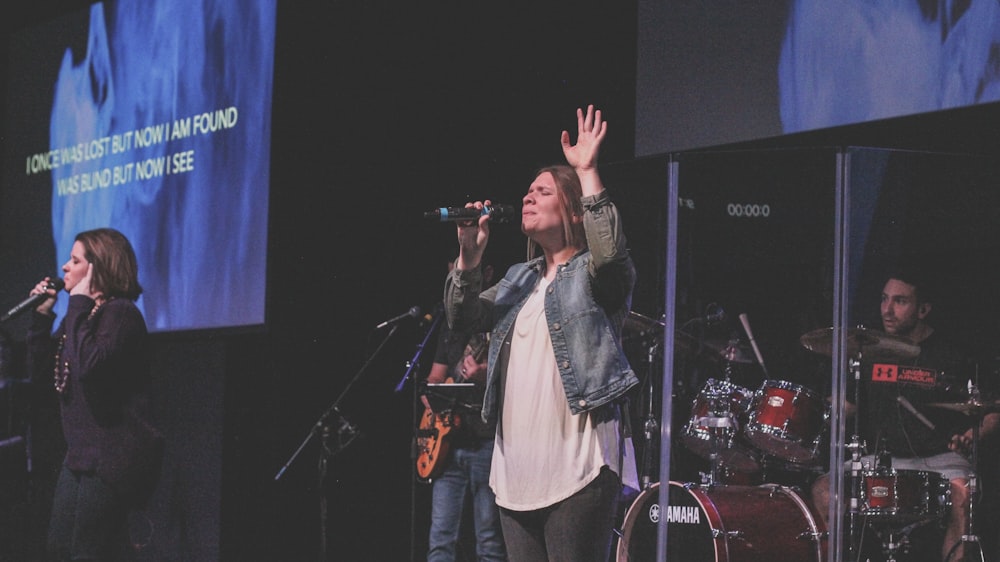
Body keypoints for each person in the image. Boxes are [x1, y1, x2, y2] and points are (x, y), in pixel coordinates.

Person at [444, 105, 639, 561]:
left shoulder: (590, 273)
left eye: (543, 191)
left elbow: (611, 256)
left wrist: (587, 172)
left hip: (578, 467)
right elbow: (462, 320)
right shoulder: (518, 278)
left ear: (570, 206)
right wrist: (468, 259)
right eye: (528, 191)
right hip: (516, 474)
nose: (528, 197)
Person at [811, 266, 999, 561]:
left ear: (923, 309)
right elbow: (847, 407)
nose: (887, 310)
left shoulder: (951, 355)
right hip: (881, 458)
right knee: (824, 489)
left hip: (940, 459)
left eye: (900, 301)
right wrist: (822, 408)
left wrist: (970, 437)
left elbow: (990, 412)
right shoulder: (869, 352)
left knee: (964, 494)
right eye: (884, 299)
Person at [24, 227, 162, 561]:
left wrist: (78, 304)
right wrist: (42, 317)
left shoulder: (121, 314)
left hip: (112, 458)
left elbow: (90, 366)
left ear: (97, 269)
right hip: (80, 457)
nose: (64, 268)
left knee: (87, 553)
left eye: (74, 261)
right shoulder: (83, 318)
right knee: (58, 548)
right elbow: (46, 374)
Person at [423, 259, 506, 561]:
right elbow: (434, 376)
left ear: (487, 273)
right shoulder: (450, 325)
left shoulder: (497, 318)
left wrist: (485, 374)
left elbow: (515, 376)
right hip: (448, 445)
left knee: (489, 541)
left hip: (485, 441)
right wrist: (432, 396)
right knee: (440, 539)